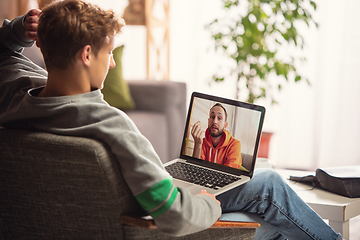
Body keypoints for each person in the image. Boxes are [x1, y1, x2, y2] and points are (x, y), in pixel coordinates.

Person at [0, 1, 344, 239]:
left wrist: (15, 31)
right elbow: (172, 213)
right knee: (271, 205)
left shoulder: (14, 94)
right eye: (109, 53)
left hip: (117, 202)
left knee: (266, 180)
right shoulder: (111, 126)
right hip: (152, 223)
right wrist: (206, 205)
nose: (114, 64)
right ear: (87, 55)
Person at [191, 103, 242, 168]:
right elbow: (195, 169)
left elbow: (229, 175)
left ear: (225, 125)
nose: (215, 121)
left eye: (219, 118)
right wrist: (197, 144)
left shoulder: (235, 144)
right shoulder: (202, 142)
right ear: (208, 121)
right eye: (212, 117)